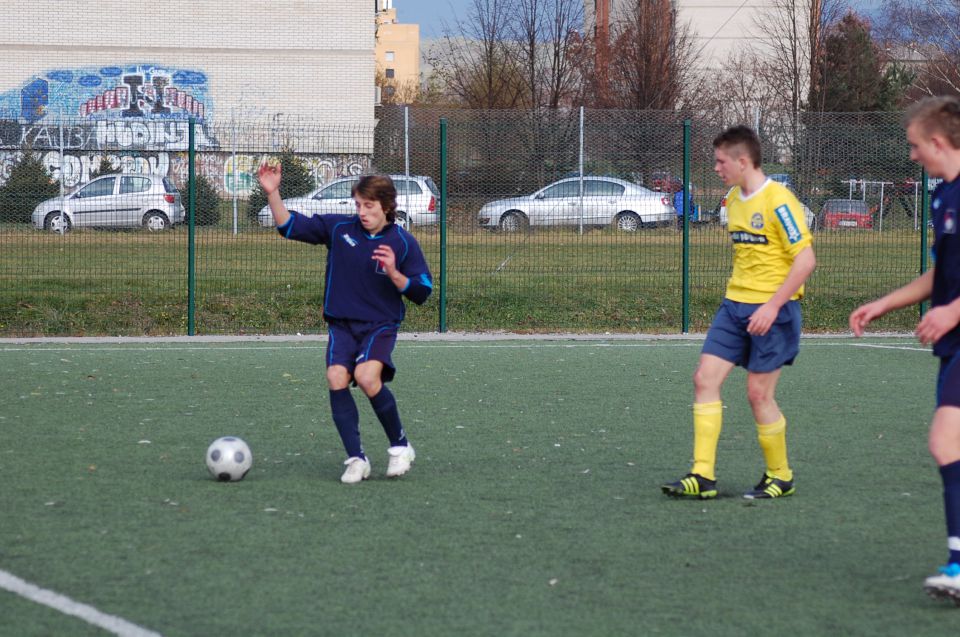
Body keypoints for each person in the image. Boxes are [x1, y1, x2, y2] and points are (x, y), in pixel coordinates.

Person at [662, 125, 816, 500]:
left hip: (774, 312)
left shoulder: (779, 201)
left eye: (720, 161)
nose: (716, 168)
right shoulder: (733, 198)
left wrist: (773, 304)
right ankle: (702, 475)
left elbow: (806, 260)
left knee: (757, 395)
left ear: (743, 161)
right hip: (734, 308)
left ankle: (780, 475)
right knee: (704, 379)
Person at [849, 96, 960, 603]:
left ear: (938, 142)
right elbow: (941, 273)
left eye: (915, 146)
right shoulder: (943, 198)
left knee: (945, 442)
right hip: (952, 342)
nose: (911, 155)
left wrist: (951, 311)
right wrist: (884, 304)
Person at [257, 164, 433, 484]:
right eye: (358, 205)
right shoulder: (340, 229)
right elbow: (288, 226)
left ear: (387, 207)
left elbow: (423, 291)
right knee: (336, 376)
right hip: (341, 325)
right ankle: (357, 459)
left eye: (369, 206)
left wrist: (396, 275)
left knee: (367, 377)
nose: (362, 212)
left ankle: (400, 445)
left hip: (380, 325)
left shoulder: (403, 242)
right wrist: (273, 193)